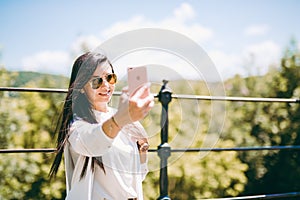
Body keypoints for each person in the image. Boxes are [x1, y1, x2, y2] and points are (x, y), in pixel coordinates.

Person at [49, 51, 154, 200]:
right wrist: (119, 120)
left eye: (110, 78)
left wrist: (142, 152)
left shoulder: (130, 123)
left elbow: (137, 176)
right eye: (96, 81)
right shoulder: (77, 125)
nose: (106, 86)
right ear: (80, 87)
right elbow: (93, 142)